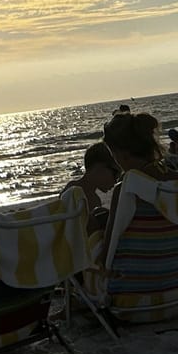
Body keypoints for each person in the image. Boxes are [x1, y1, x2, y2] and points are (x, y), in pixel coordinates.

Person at [99, 111, 176, 262]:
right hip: (173, 277)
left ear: (122, 154)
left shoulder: (126, 189)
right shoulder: (174, 182)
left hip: (130, 282)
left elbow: (108, 254)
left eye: (113, 155)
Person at [63, 142, 120, 229]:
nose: (116, 180)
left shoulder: (96, 200)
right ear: (99, 168)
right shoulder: (73, 190)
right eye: (115, 173)